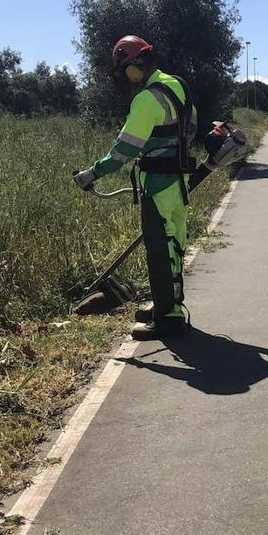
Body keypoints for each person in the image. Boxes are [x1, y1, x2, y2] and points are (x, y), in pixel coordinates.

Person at [74, 35, 198, 340]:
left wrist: (93, 173)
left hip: (157, 185)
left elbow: (124, 150)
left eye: (124, 72)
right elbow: (192, 126)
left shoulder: (145, 100)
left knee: (159, 250)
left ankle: (168, 321)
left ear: (133, 68)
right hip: (178, 182)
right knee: (174, 246)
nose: (126, 80)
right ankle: (169, 306)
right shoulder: (176, 84)